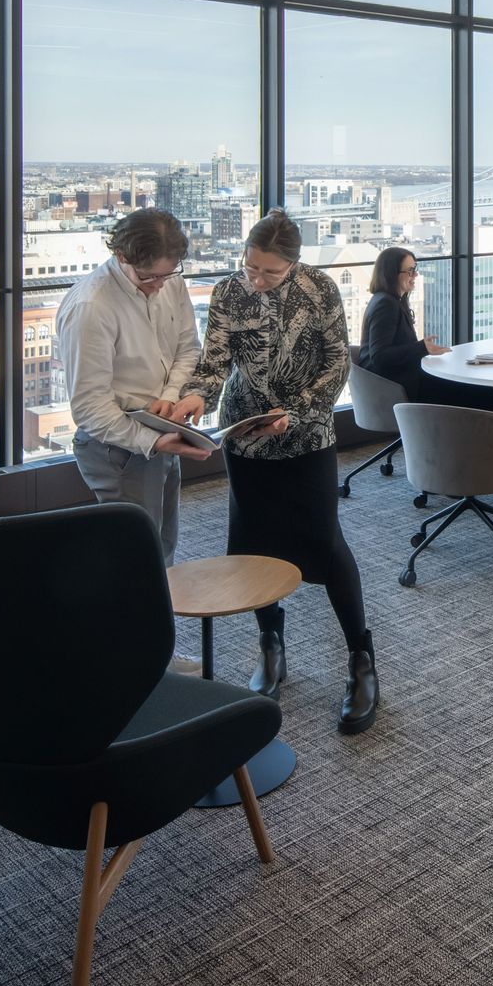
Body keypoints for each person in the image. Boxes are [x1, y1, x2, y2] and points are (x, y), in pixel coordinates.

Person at [170, 210, 377, 734]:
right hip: (247, 435)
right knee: (252, 544)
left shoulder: (321, 289)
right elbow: (215, 361)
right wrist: (198, 394)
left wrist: (300, 411)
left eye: (269, 272)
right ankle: (271, 644)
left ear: (294, 264)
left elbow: (338, 363)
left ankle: (361, 659)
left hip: (306, 435)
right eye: (250, 267)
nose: (256, 280)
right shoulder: (228, 293)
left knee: (326, 545)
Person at [57, 208, 212, 568]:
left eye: (167, 274)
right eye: (147, 277)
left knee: (163, 547)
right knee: (135, 560)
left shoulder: (168, 279)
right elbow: (90, 408)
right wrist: (154, 441)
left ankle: (157, 624)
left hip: (164, 428)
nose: (159, 285)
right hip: (118, 448)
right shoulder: (91, 307)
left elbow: (188, 347)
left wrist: (171, 397)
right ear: (121, 255)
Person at [360, 246, 493, 413]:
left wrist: (422, 348)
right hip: (397, 386)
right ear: (392, 274)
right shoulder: (386, 305)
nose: (415, 275)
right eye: (410, 271)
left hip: (398, 380)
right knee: (468, 384)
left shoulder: (390, 300)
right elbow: (379, 357)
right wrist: (421, 347)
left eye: (415, 269)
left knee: (467, 384)